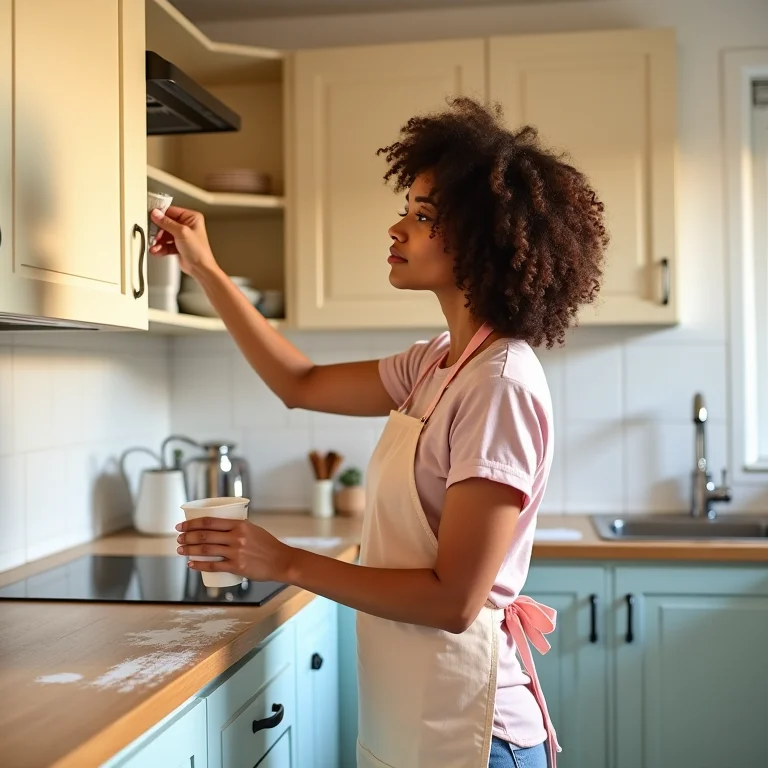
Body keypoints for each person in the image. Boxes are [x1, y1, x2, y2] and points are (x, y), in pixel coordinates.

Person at [157, 97, 608, 768]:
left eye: (423, 217)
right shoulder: (438, 362)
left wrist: (283, 562)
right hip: (414, 716)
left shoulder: (499, 384)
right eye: (407, 208)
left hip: (478, 736)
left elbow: (455, 601)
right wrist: (207, 271)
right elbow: (300, 383)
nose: (398, 229)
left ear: (483, 242)